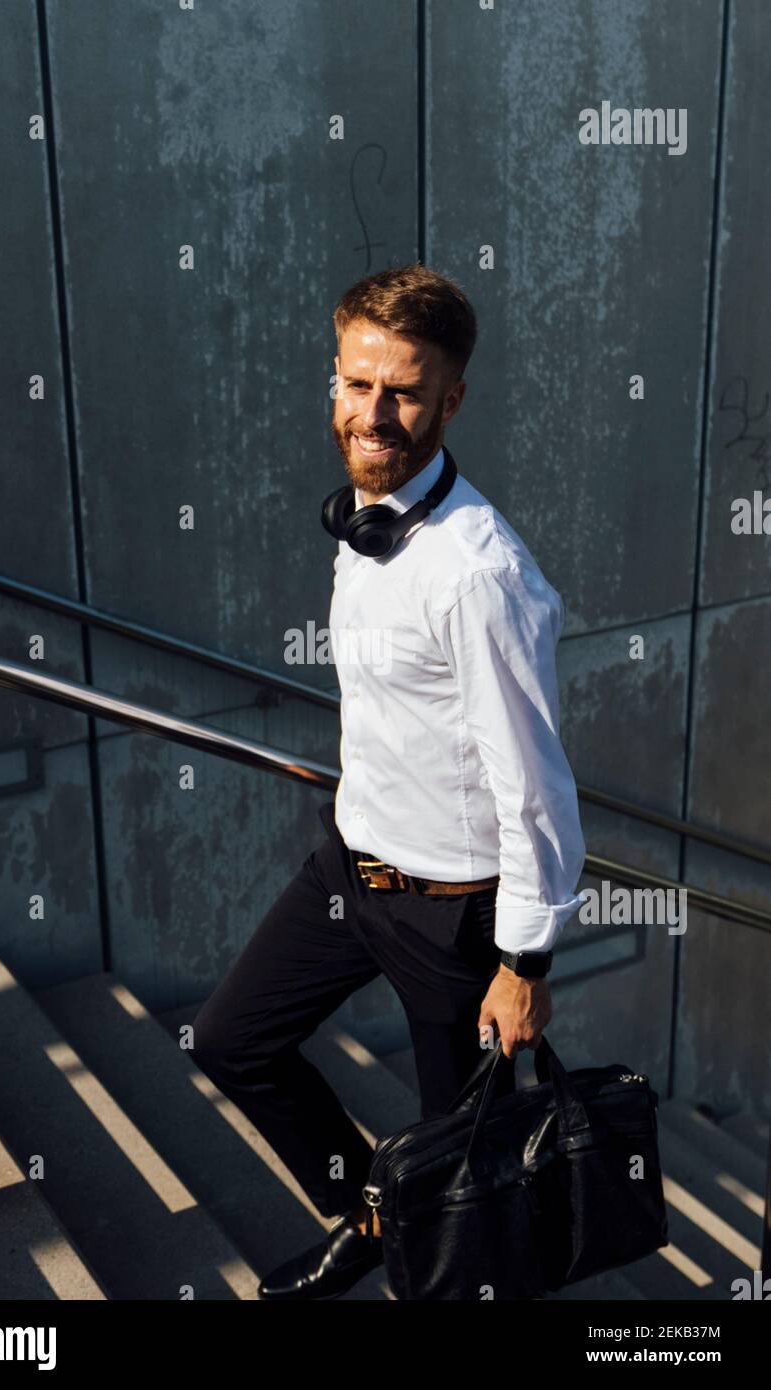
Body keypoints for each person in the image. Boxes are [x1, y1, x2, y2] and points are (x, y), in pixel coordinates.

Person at [192, 263, 586, 1300]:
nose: (372, 413)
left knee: (472, 1201)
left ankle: (424, 1245)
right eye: (355, 382)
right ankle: (364, 1209)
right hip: (348, 868)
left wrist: (524, 962)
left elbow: (534, 781)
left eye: (402, 391)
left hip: (452, 921)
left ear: (450, 399)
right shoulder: (362, 514)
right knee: (232, 1041)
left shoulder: (478, 573)